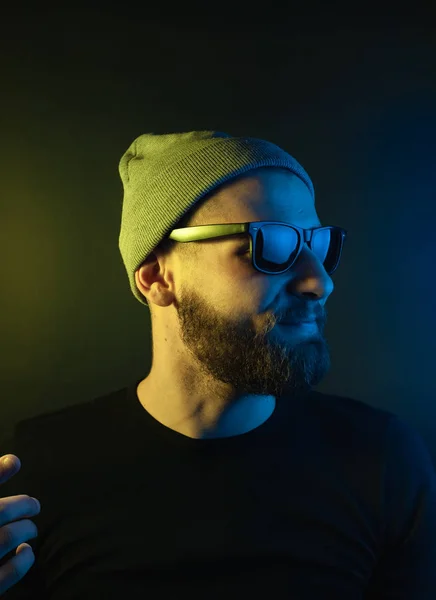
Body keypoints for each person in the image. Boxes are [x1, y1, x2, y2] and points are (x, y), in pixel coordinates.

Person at [0, 131, 435, 598]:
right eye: (269, 244)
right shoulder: (36, 473)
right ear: (157, 277)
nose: (319, 281)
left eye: (319, 243)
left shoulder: (382, 462)